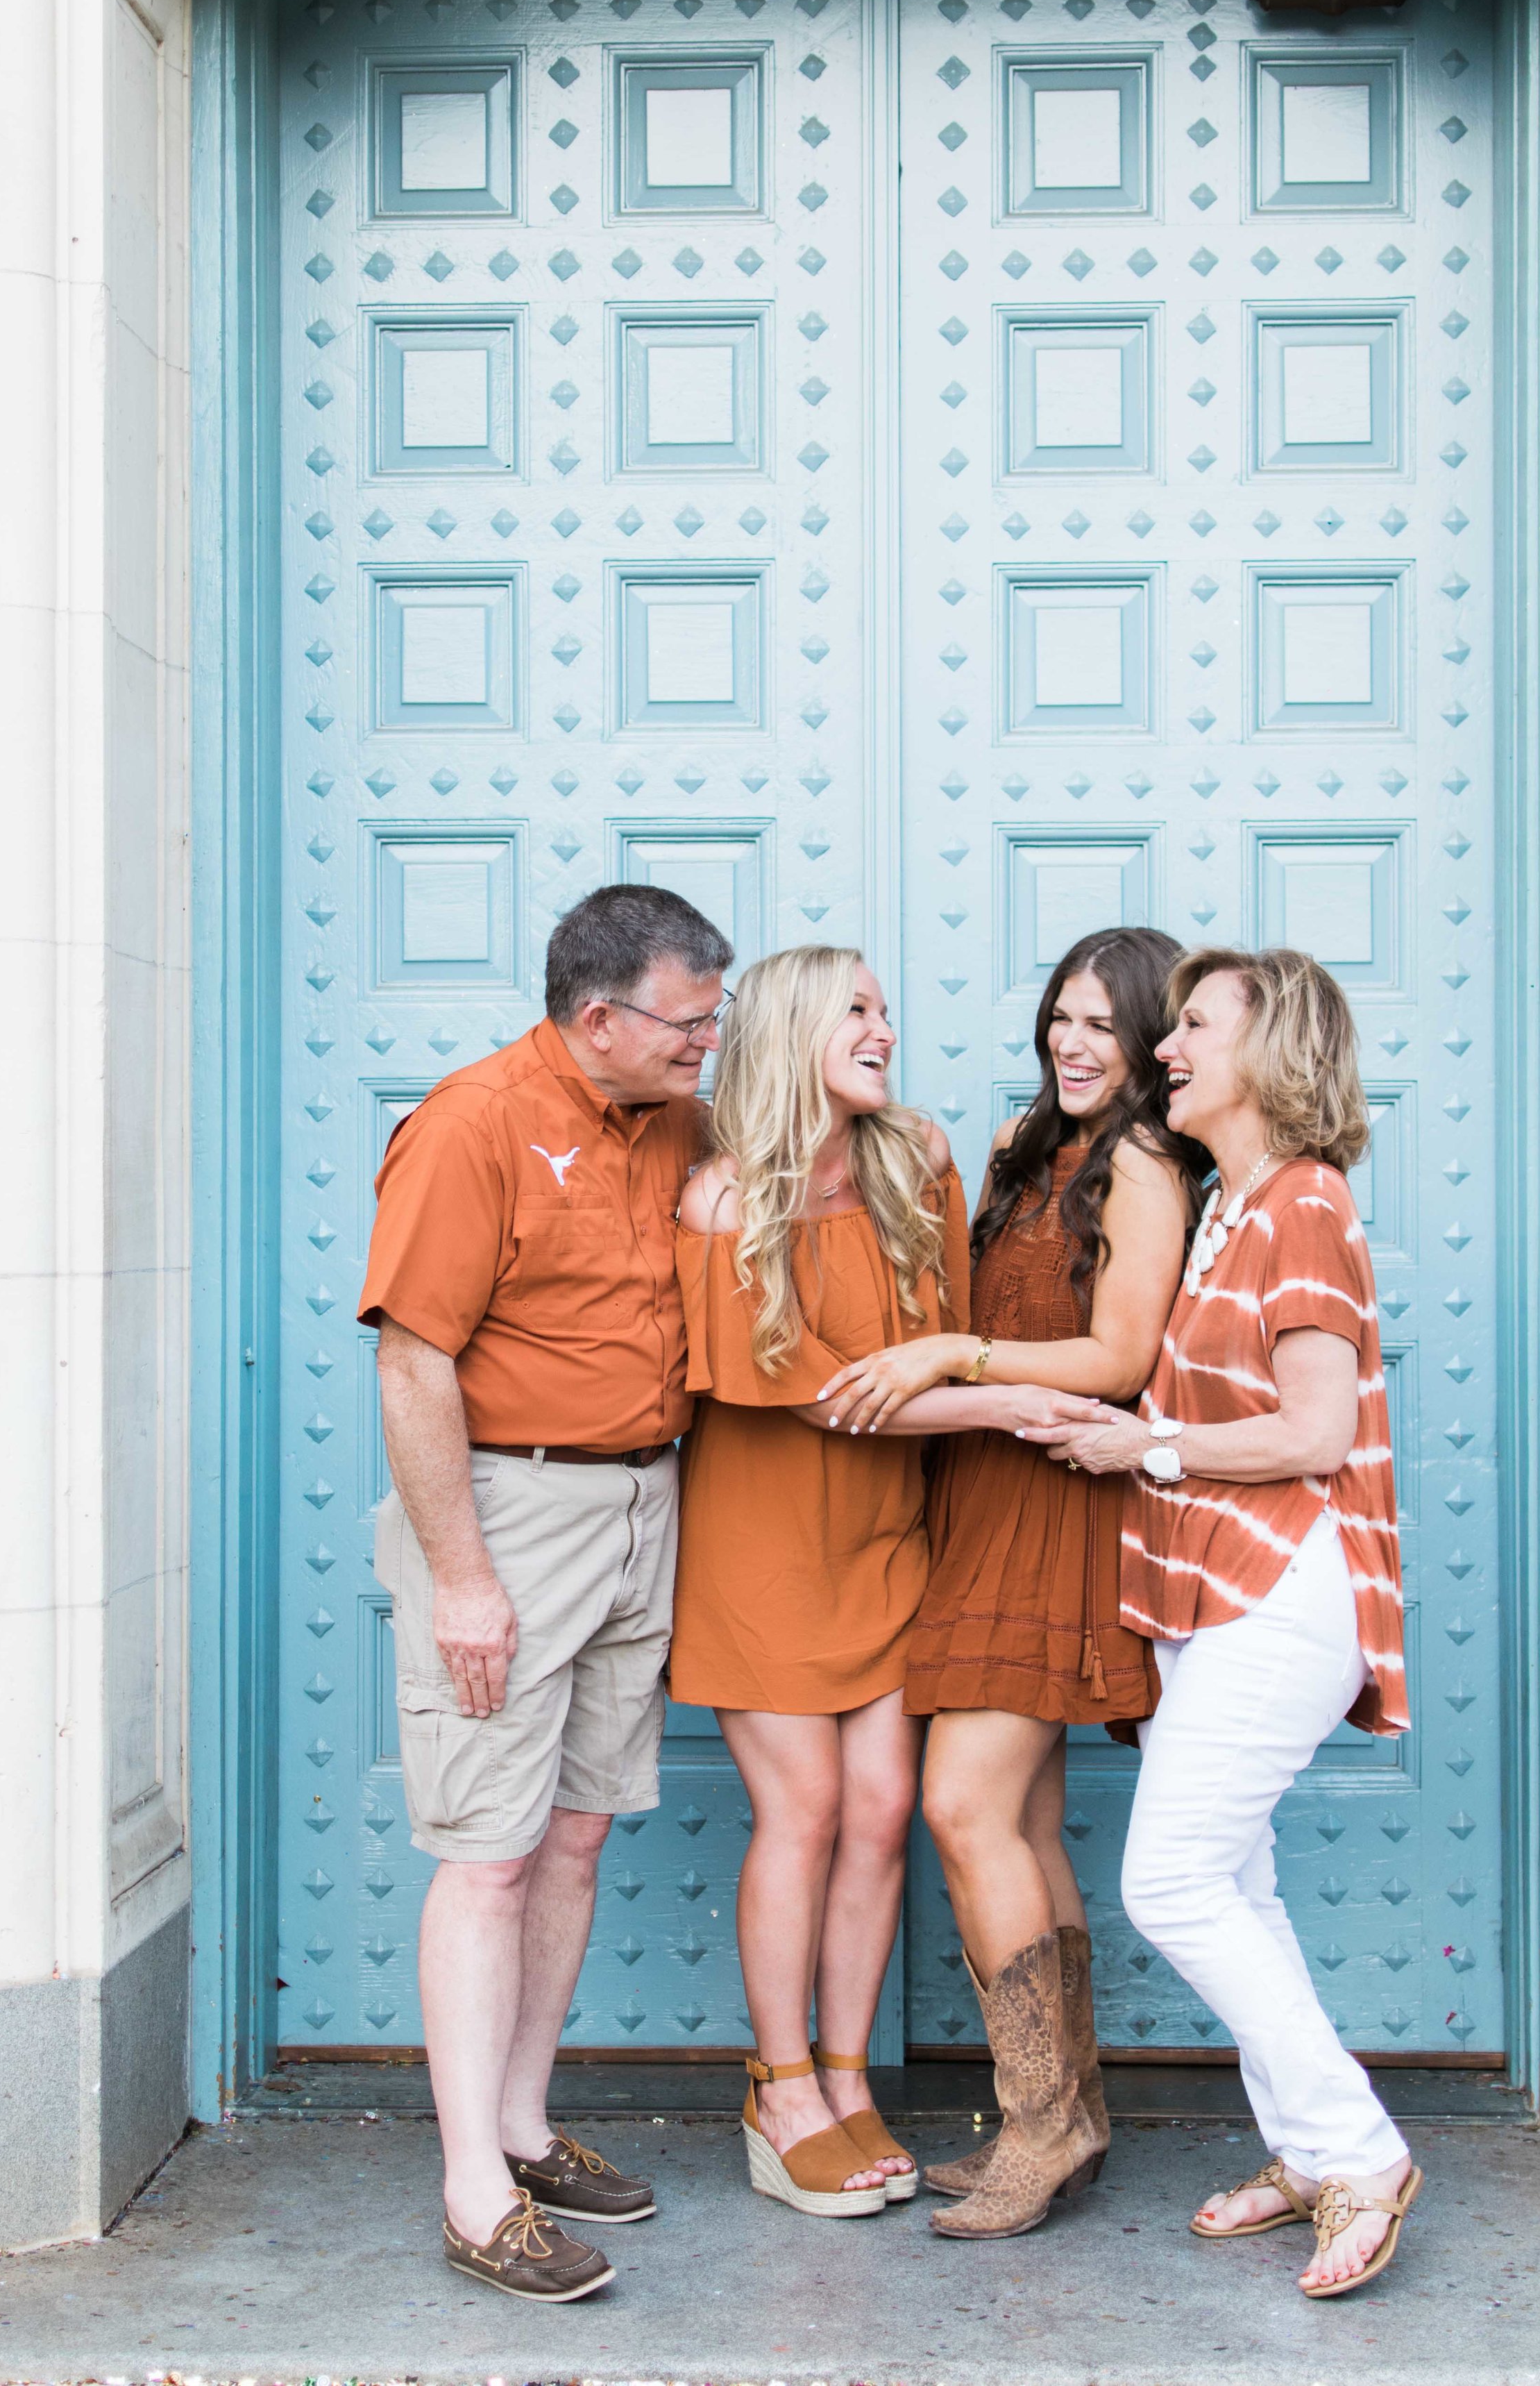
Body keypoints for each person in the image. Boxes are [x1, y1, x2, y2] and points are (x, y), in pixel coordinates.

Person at [1025, 947, 1419, 2301]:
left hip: (1282, 1589)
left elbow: (1312, 1429)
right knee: (1233, 1880)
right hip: (1222, 1590)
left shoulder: (1301, 1203)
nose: (1165, 1046)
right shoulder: (1232, 1206)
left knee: (1172, 1881)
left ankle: (1359, 2153)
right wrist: (1129, 1435)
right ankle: (1307, 2151)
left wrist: (1154, 1453)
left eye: (1194, 1027)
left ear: (1274, 1055)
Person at [672, 947, 1090, 2220]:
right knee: (800, 1810)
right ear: (796, 1029)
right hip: (765, 1543)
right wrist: (1018, 1397)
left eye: (885, 1006)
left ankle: (848, 2082)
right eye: (856, 1009)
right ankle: (778, 2085)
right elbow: (830, 1391)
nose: (884, 1028)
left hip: (892, 1534)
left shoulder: (915, 1156)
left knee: (884, 1802)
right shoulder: (726, 1197)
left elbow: (941, 1333)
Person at [357, 884, 732, 2303]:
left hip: (648, 1497)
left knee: (574, 1835)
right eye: (689, 1023)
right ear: (599, 1019)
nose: (709, 1044)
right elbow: (411, 1362)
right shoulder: (470, 1126)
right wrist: (463, 1579)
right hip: (509, 1512)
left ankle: (522, 2128)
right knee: (490, 1851)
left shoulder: (676, 1116)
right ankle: (471, 2194)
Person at [814, 927, 1203, 2239]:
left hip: (1063, 1501)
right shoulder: (1023, 1152)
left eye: (1103, 1024)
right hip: (986, 1497)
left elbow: (1117, 1357)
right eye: (1061, 1019)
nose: (1073, 1044)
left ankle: (1039, 2123)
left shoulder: (1145, 1162)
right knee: (1024, 1820)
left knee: (964, 1803)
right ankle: (1068, 2120)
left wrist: (954, 1352)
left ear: (1154, 1041)